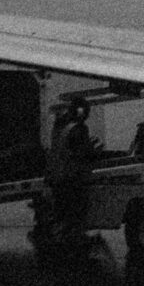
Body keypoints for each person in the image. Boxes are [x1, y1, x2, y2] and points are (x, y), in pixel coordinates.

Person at [47, 97, 96, 250]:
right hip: (73, 179)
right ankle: (71, 247)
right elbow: (83, 154)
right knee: (75, 215)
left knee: (63, 215)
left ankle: (60, 244)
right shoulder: (79, 129)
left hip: (61, 179)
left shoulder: (63, 128)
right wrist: (94, 148)